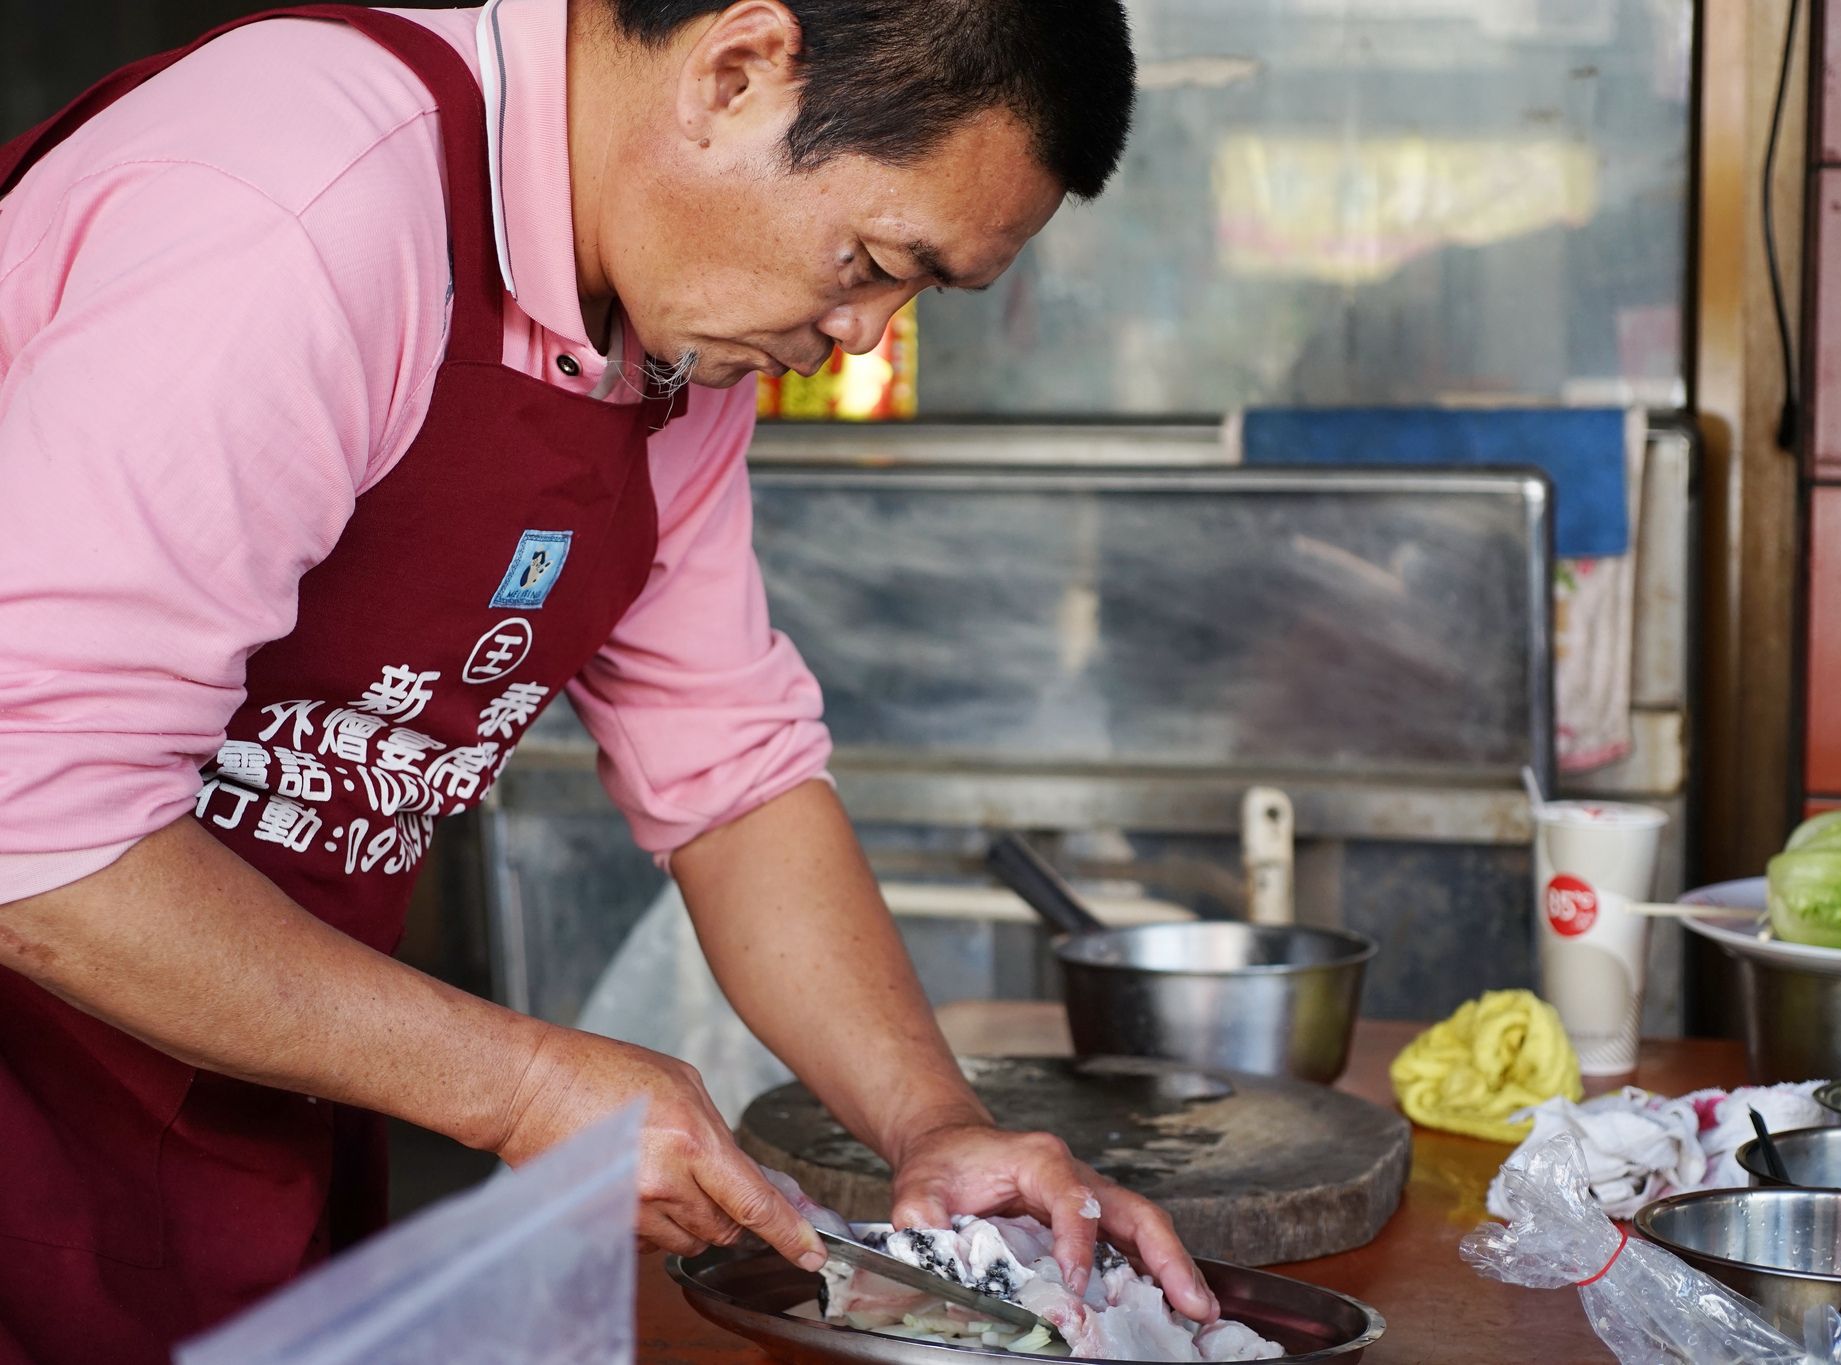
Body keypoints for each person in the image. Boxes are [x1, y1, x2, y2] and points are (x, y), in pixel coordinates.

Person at [0, 2, 1215, 1360]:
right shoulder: (296, 204)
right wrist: (517, 1082)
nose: (866, 334)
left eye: (916, 294)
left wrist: (936, 1127)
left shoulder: (668, 339)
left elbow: (734, 779)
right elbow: (36, 824)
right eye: (871, 260)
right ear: (736, 72)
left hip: (236, 1081)